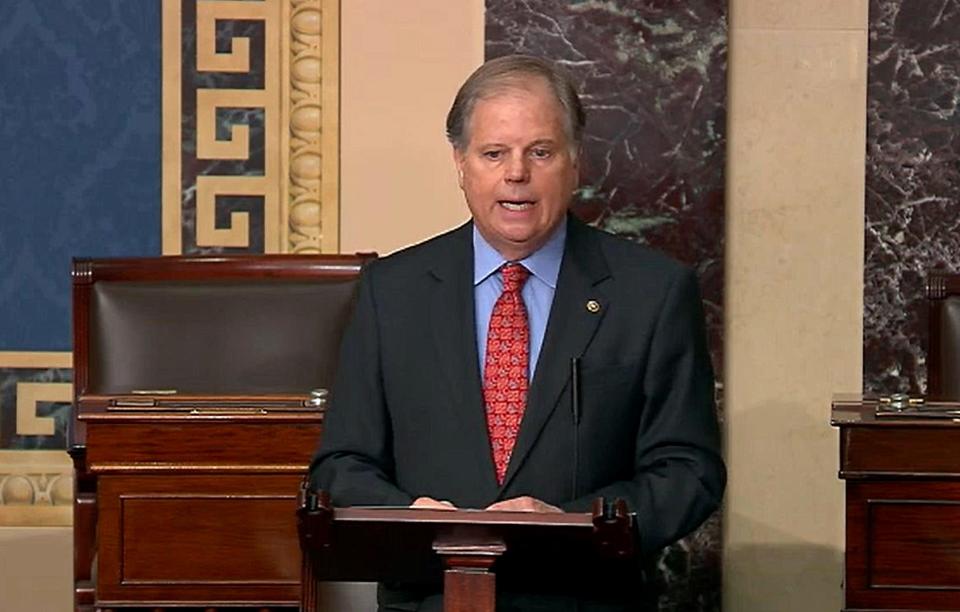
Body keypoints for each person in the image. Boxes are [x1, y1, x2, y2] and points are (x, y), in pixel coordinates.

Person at [310, 54, 725, 611]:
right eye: (493, 153)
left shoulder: (652, 292)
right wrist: (412, 519)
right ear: (460, 164)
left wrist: (579, 522)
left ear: (575, 162)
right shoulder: (393, 290)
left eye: (540, 152)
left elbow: (689, 471)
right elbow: (342, 465)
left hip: (582, 598)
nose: (516, 175)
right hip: (431, 596)